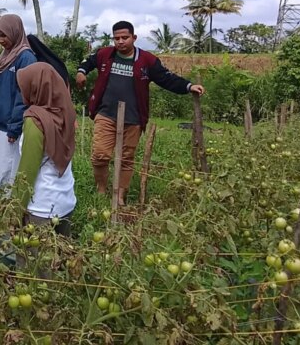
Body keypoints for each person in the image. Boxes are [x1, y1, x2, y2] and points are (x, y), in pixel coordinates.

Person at [76, 20, 205, 206]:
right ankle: (101, 190)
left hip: (134, 117)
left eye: (125, 37)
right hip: (106, 113)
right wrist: (81, 72)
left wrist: (188, 86)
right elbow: (89, 61)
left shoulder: (147, 60)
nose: (120, 41)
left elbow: (166, 78)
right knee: (100, 155)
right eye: (117, 38)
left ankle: (120, 195)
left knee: (126, 157)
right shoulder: (105, 54)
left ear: (134, 38)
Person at [12, 62, 77, 236]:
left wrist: (14, 211)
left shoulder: (36, 121)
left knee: (34, 254)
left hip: (41, 207)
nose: (22, 91)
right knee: (61, 252)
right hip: (65, 201)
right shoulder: (66, 114)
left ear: (35, 88)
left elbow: (27, 172)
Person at [0, 14, 37, 192]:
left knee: (9, 169)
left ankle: (8, 203)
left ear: (15, 32)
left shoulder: (26, 58)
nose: (1, 40)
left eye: (4, 35)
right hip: (1, 124)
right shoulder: (5, 57)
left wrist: (14, 128)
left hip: (13, 127)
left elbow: (23, 97)